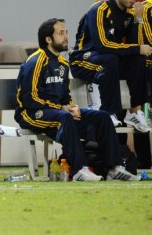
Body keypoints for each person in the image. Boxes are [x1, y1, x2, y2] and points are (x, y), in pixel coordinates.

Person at [15, 18, 140, 181]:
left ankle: (113, 168)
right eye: (61, 33)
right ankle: (79, 170)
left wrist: (71, 106)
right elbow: (29, 98)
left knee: (102, 117)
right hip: (30, 114)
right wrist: (61, 109)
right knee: (65, 117)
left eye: (66, 32)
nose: (66, 36)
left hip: (57, 113)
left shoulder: (63, 64)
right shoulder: (36, 61)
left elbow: (64, 96)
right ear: (48, 39)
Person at [69, 0, 152, 134]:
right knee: (111, 58)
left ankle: (134, 112)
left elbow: (132, 43)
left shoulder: (129, 12)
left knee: (138, 59)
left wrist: (138, 20)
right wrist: (137, 48)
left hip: (108, 59)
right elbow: (103, 45)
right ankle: (109, 111)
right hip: (82, 59)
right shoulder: (99, 9)